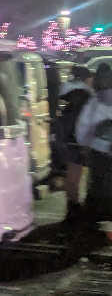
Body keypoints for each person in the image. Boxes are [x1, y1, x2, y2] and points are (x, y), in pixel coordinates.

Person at [76, 63, 112, 224]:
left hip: (98, 149)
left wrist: (84, 144)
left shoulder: (94, 102)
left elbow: (83, 126)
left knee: (97, 182)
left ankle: (96, 217)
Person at [57, 65, 94, 219]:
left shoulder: (67, 93)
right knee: (77, 175)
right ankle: (76, 208)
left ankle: (72, 206)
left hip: (67, 139)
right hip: (78, 140)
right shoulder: (84, 95)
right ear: (85, 78)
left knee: (73, 175)